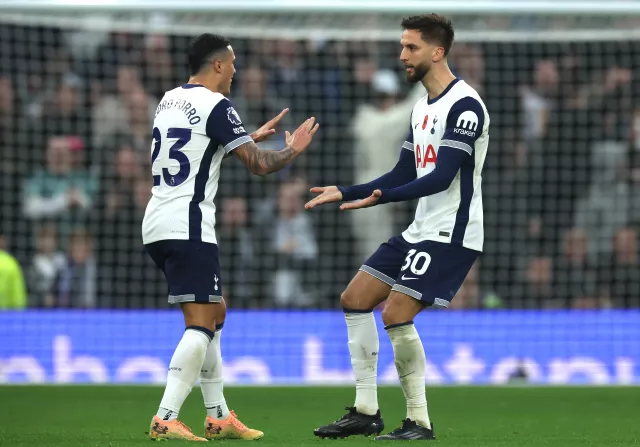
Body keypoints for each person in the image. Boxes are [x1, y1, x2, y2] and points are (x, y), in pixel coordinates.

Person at [307, 14, 489, 441]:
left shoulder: (465, 105)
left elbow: (442, 178)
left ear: (437, 51)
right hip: (419, 227)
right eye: (403, 46)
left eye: (411, 48)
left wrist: (381, 199)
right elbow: (404, 170)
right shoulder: (422, 107)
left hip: (452, 231)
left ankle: (418, 421)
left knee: (395, 312)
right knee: (354, 298)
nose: (402, 55)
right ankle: (366, 411)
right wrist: (347, 189)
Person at [142, 33, 319, 441]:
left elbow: (196, 147)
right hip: (189, 224)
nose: (236, 70)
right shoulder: (217, 104)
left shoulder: (169, 98)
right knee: (201, 325)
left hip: (158, 220)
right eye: (233, 62)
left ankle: (218, 415)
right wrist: (293, 149)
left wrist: (244, 137)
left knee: (216, 312)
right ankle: (165, 416)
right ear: (218, 64)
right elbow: (258, 166)